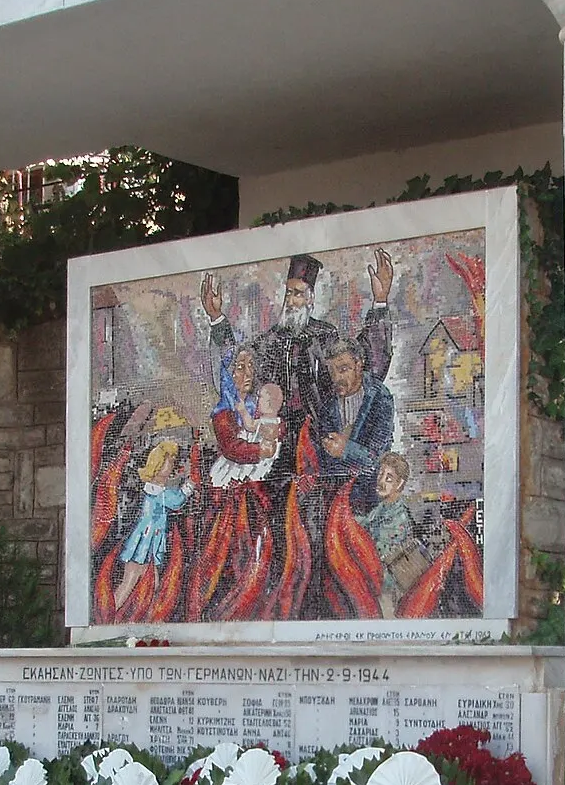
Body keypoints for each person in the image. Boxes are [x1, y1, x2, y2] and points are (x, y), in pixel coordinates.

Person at [201, 248, 395, 467]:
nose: (292, 301)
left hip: (316, 439)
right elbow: (234, 369)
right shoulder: (268, 341)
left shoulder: (325, 336)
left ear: (311, 298)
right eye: (289, 293)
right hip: (274, 439)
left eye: (299, 293)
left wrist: (380, 301)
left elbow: (361, 359)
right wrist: (217, 319)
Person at [317, 335, 395, 507]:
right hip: (334, 498)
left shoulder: (380, 398)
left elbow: (379, 457)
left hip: (368, 497)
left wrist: (346, 450)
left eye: (343, 369)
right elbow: (323, 460)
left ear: (359, 365)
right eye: (332, 372)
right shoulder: (328, 404)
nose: (337, 378)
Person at [117, 439, 194, 606]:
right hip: (144, 543)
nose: (172, 465)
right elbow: (176, 500)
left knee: (152, 584)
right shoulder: (158, 491)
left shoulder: (155, 487)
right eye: (170, 461)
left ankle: (139, 614)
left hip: (148, 543)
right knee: (130, 582)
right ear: (158, 464)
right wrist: (189, 486)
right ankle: (113, 610)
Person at [356, 453, 427, 616]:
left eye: (389, 478)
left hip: (388, 590)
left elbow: (379, 553)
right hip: (375, 585)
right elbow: (364, 524)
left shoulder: (399, 516)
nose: (381, 481)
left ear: (400, 483)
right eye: (381, 474)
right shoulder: (382, 508)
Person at [207, 346, 283, 490]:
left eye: (251, 366)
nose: (248, 373)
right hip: (236, 480)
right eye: (240, 367)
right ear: (229, 375)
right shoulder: (223, 413)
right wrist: (259, 450)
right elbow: (230, 447)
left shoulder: (259, 403)